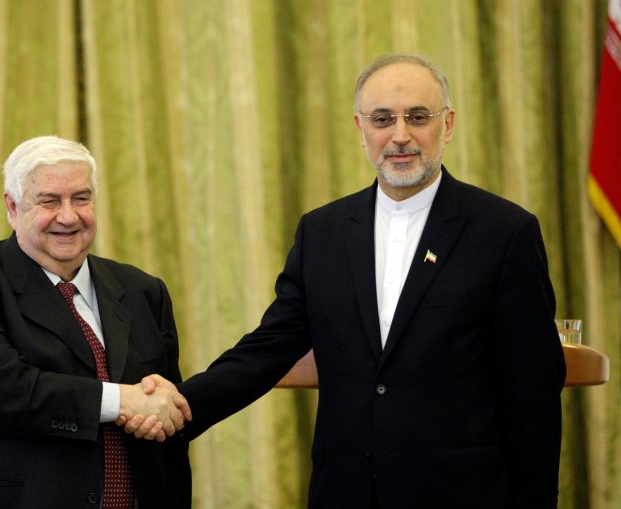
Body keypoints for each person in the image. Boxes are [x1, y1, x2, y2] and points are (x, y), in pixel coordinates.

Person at [136, 53, 566, 508]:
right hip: (346, 491)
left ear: (449, 124)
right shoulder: (322, 232)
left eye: (417, 117)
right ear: (361, 130)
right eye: (383, 119)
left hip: (463, 493)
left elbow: (533, 392)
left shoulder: (504, 232)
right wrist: (183, 406)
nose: (400, 136)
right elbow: (269, 347)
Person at [0, 136, 192, 509]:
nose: (68, 216)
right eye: (49, 201)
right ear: (12, 208)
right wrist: (121, 400)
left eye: (81, 198)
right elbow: (3, 391)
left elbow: (164, 414)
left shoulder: (143, 290)